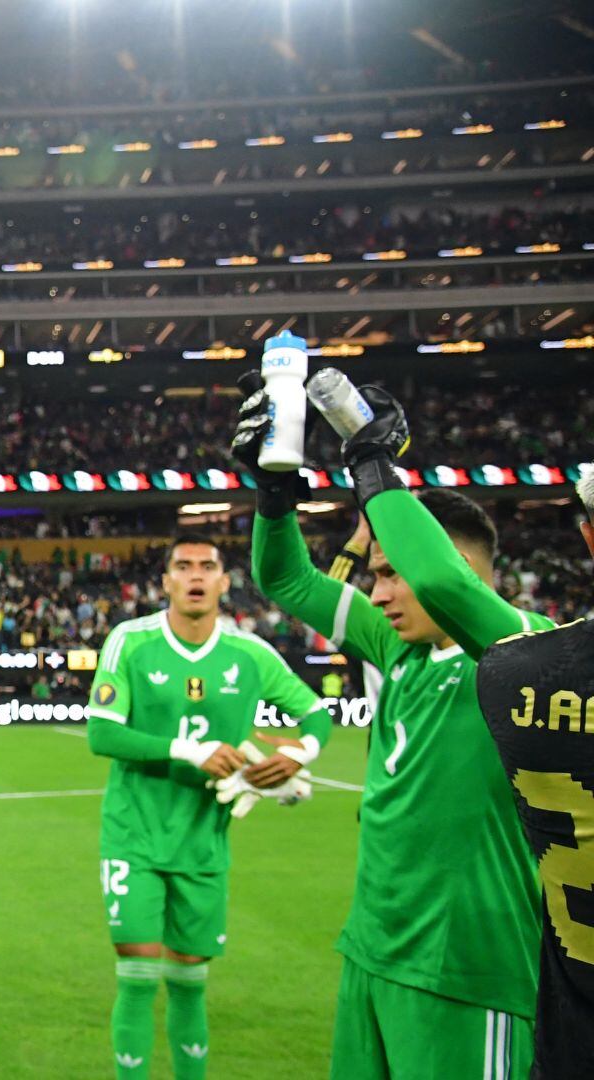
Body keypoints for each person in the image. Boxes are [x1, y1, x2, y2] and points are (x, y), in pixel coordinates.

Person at [233, 374, 545, 1079]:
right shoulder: (396, 646)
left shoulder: (524, 653)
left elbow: (438, 585)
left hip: (471, 974)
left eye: (388, 573)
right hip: (373, 953)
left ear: (461, 569)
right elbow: (284, 580)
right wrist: (274, 497)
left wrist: (375, 467)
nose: (375, 593)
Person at [87, 534, 332, 1079]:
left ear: (225, 582)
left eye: (207, 566)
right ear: (166, 581)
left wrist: (299, 755)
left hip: (205, 842)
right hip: (135, 837)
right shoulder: (131, 640)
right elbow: (102, 734)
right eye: (183, 566)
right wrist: (188, 750)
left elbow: (316, 714)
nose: (195, 575)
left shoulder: (251, 653)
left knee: (190, 981)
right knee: (137, 968)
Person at [472, 473, 594, 1077]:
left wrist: (372, 463)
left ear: (589, 540)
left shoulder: (513, 676)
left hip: (570, 1045)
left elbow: (449, 591)